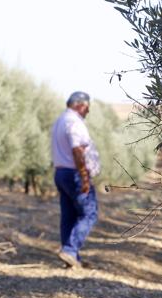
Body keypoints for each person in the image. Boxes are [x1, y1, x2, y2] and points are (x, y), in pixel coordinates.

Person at [51, 91, 100, 268]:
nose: (88, 111)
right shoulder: (74, 123)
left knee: (69, 216)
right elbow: (78, 150)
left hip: (61, 173)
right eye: (87, 107)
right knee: (89, 213)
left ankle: (71, 258)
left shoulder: (59, 121)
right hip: (74, 174)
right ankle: (70, 250)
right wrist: (84, 177)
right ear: (80, 105)